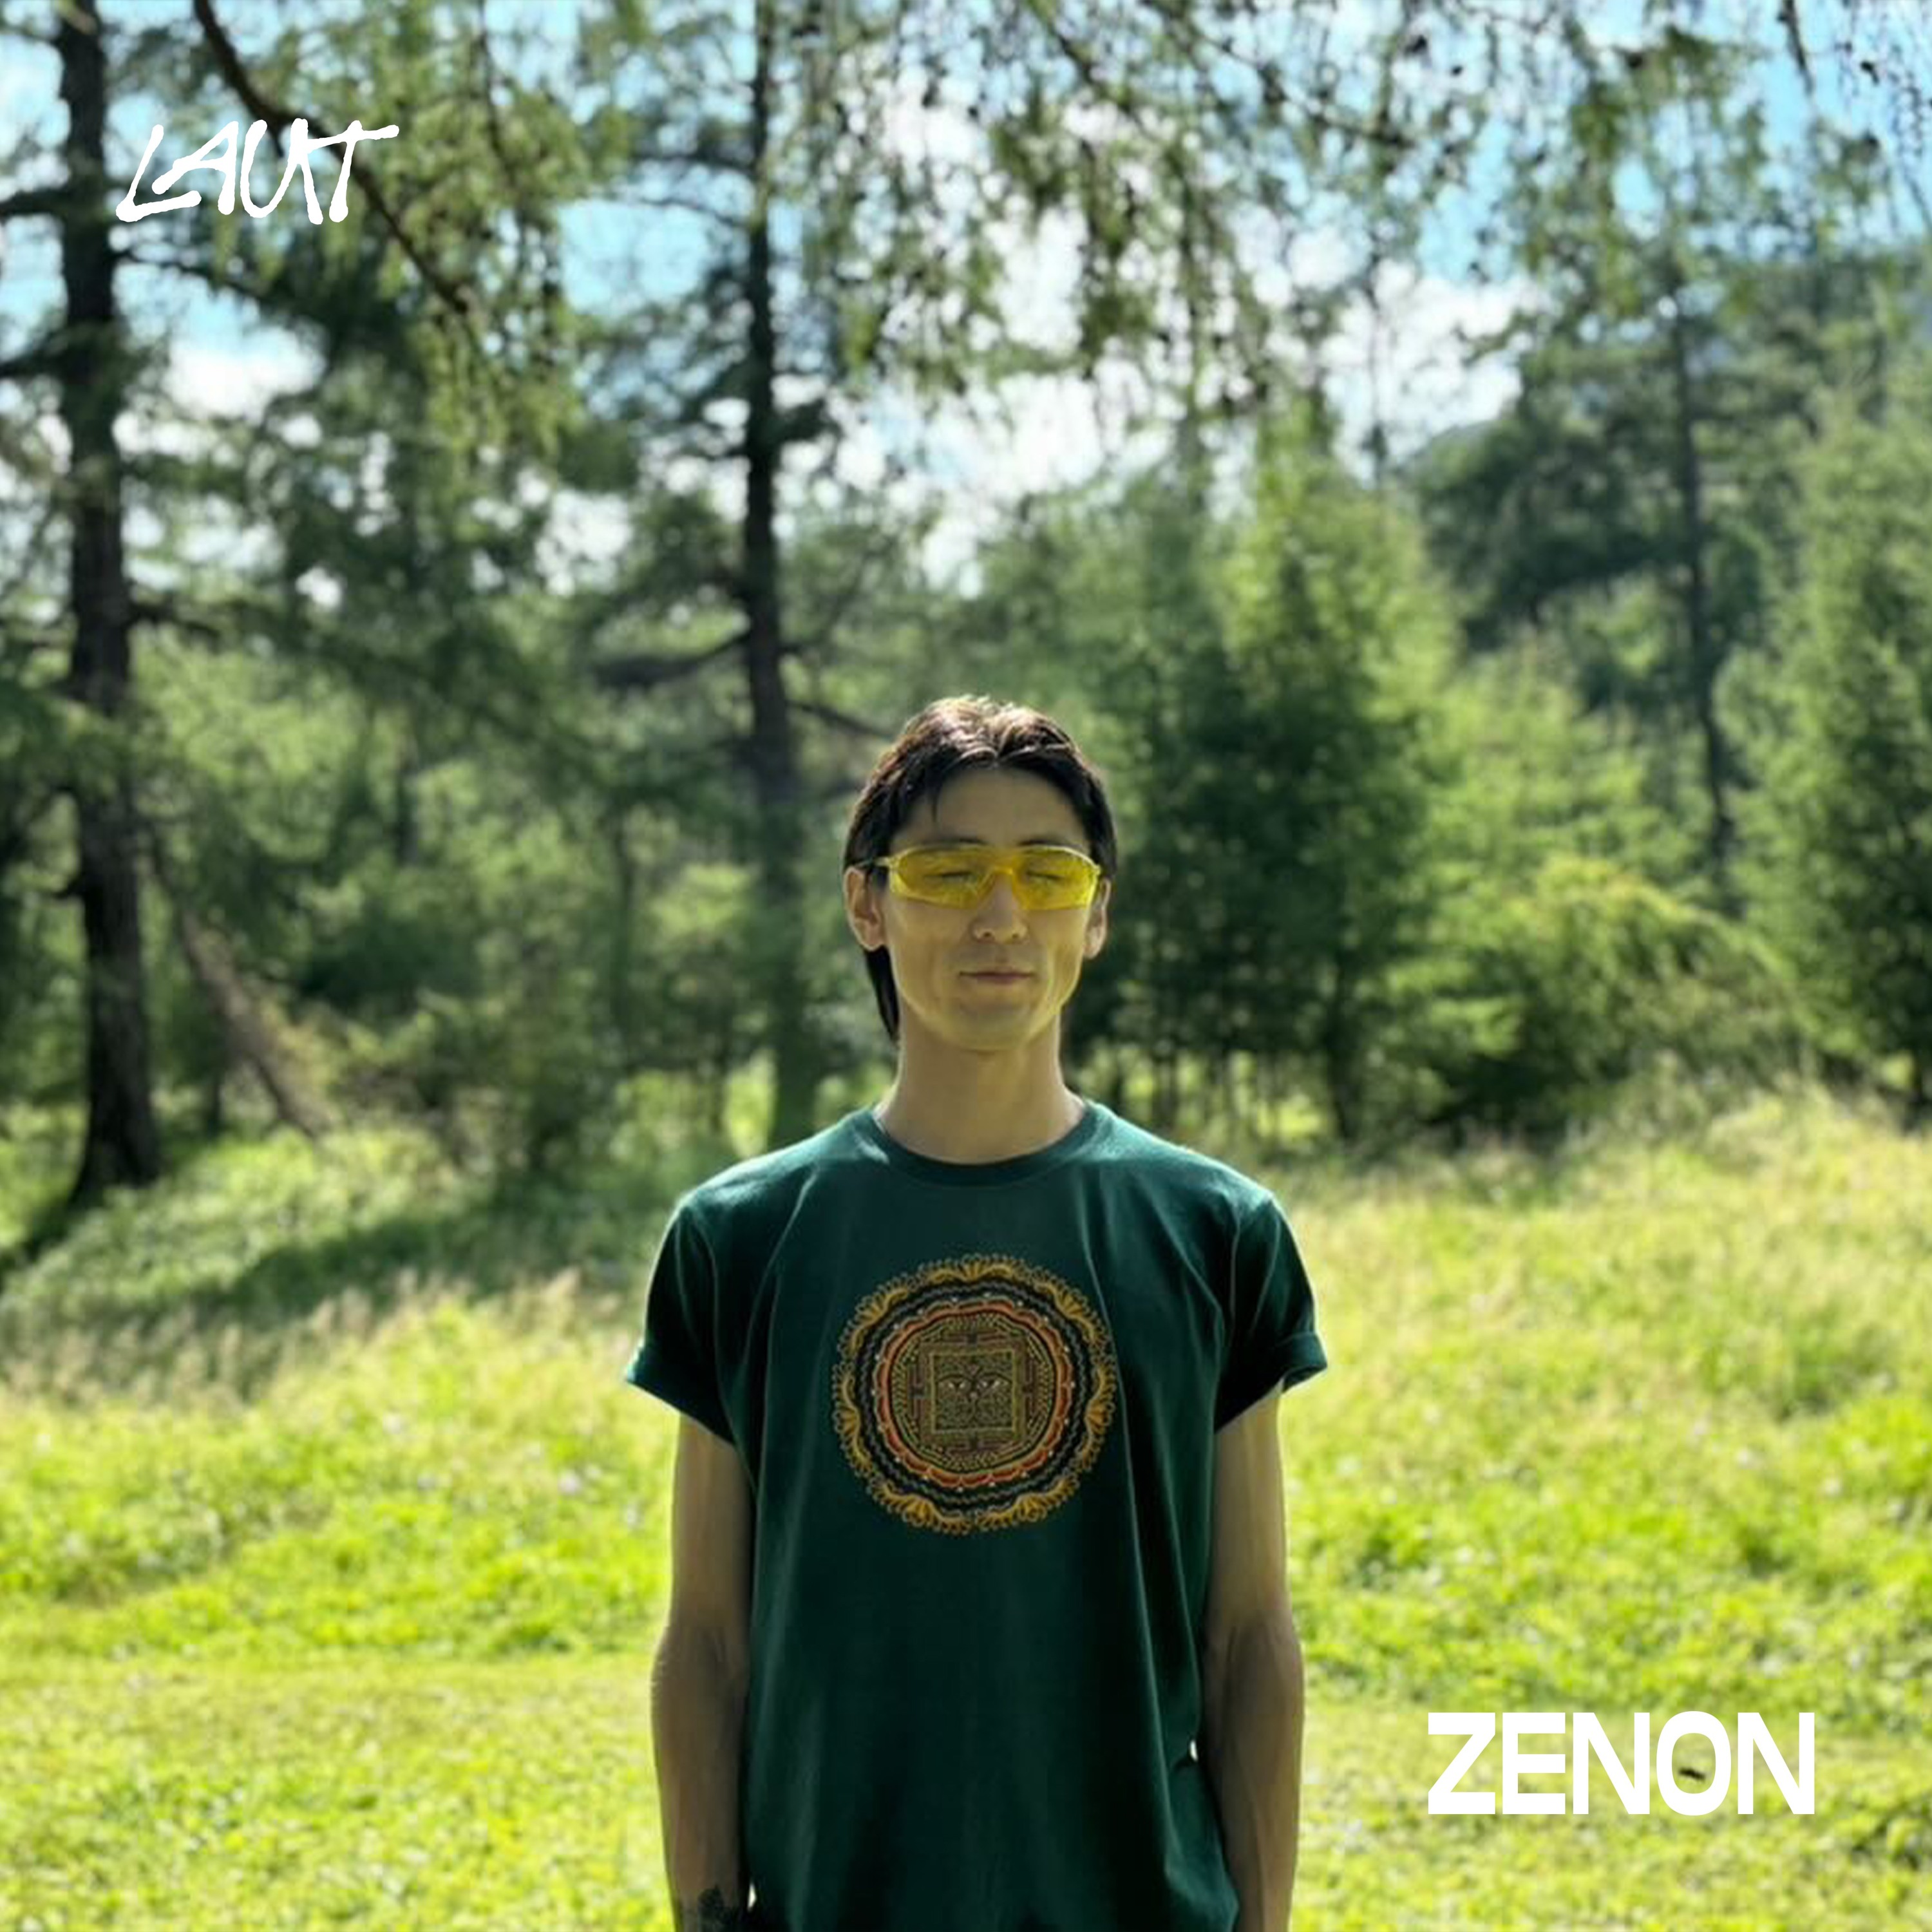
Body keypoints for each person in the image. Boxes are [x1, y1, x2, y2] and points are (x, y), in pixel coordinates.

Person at [626, 695, 1330, 1932]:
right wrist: (705, 1915)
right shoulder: (742, 1240)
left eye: (1047, 874)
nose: (1000, 916)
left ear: (1096, 915)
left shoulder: (1216, 1232)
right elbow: (710, 1645)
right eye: (949, 873)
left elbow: (1247, 1638)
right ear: (868, 905)